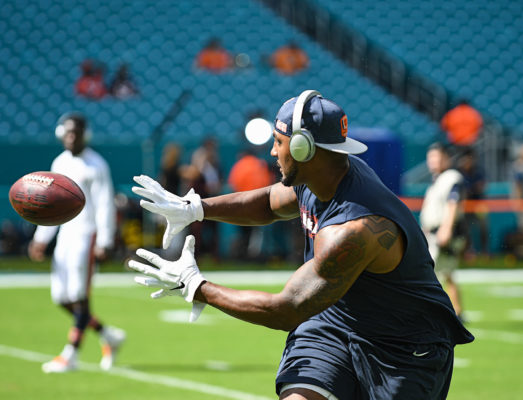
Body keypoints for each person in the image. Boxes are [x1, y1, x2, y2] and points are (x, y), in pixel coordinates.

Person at [129, 90, 473, 399]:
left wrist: (196, 286)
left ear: (303, 148)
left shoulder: (353, 230)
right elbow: (267, 203)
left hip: (402, 348)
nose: (272, 151)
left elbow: (287, 309)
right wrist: (196, 209)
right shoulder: (321, 174)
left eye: (279, 142)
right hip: (333, 322)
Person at [28, 113, 125, 373]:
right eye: (68, 133)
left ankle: (71, 354)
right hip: (65, 235)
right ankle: (108, 335)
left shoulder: (96, 165)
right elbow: (48, 206)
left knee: (80, 296)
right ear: (61, 134)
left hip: (87, 234)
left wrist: (104, 240)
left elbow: (105, 204)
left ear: (86, 135)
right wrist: (41, 238)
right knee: (61, 297)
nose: (72, 137)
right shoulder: (59, 162)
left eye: (77, 133)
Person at [420, 143, 467, 319]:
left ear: (447, 158)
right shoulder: (437, 180)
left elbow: (453, 203)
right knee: (447, 272)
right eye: (431, 157)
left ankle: (431, 312)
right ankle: (458, 312)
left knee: (428, 273)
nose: (434, 161)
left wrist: (446, 228)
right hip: (434, 233)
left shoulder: (451, 177)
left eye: (438, 157)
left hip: (444, 233)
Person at [226, 149, 274, 260]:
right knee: (258, 231)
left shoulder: (239, 165)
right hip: (258, 202)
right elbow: (267, 183)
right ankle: (255, 255)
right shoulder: (260, 164)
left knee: (243, 230)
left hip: (241, 202)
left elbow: (233, 184)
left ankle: (241, 254)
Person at [457, 148, 488, 258]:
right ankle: (468, 251)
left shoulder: (478, 171)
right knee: (464, 228)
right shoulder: (459, 173)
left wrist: (469, 190)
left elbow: (479, 188)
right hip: (463, 206)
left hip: (477, 204)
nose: (468, 162)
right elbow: (462, 190)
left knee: (483, 225)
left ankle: (485, 251)